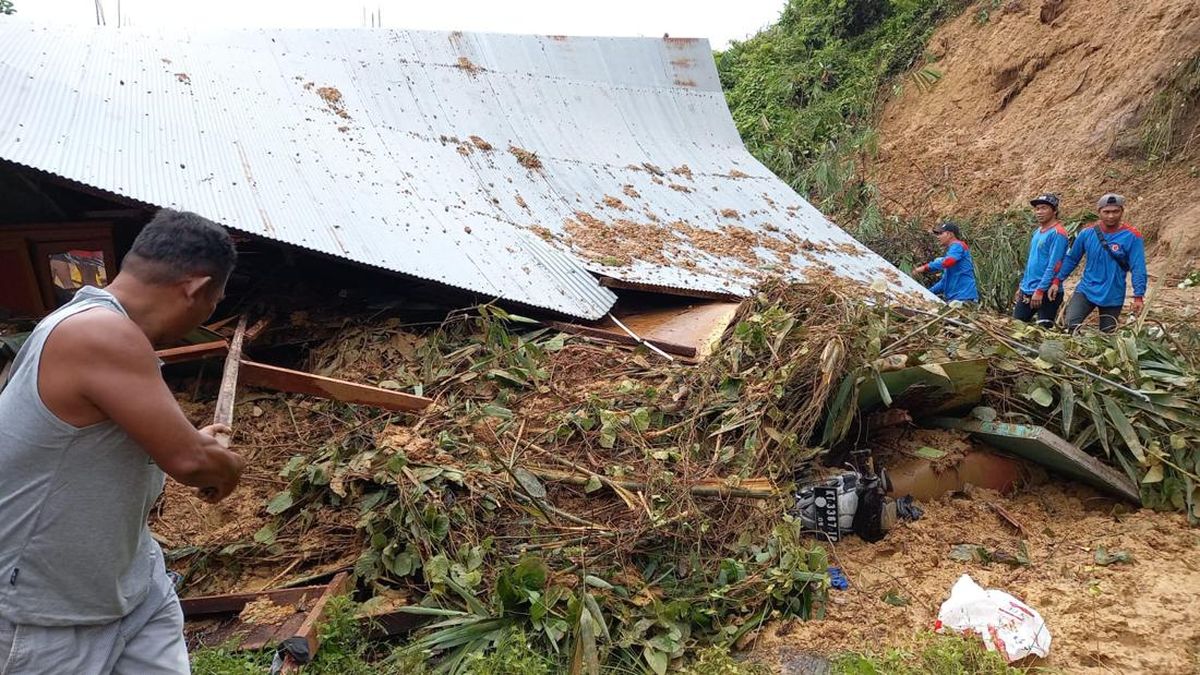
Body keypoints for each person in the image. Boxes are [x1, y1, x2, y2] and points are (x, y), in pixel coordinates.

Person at [0, 209, 245, 674]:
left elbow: (108, 435)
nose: (208, 313)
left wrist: (193, 441)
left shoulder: (82, 324)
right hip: (47, 613)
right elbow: (194, 464)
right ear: (194, 288)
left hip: (131, 585)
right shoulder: (100, 333)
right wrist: (225, 464)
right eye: (214, 301)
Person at [1049, 193, 1147, 333]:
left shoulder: (1132, 236)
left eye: (1115, 211)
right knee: (1070, 323)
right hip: (1086, 289)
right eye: (1106, 212)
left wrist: (1138, 296)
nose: (1111, 216)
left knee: (1107, 334)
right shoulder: (1087, 234)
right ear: (1099, 212)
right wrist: (1057, 280)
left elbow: (1138, 267)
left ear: (1122, 211)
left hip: (1113, 293)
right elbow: (1072, 259)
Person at [1013, 193, 1069, 327]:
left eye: (1044, 208)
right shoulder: (1038, 232)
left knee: (1043, 332)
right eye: (1037, 208)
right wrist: (1023, 286)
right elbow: (1032, 262)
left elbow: (1054, 265)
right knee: (1015, 327)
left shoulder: (1058, 233)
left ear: (1054, 211)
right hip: (1028, 290)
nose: (1039, 212)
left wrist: (1040, 290)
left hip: (1046, 293)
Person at [915, 221, 979, 303]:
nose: (938, 237)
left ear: (950, 234)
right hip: (956, 299)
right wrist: (926, 293)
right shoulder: (952, 252)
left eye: (941, 233)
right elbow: (944, 283)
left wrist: (925, 267)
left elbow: (948, 262)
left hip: (964, 298)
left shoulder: (958, 245)